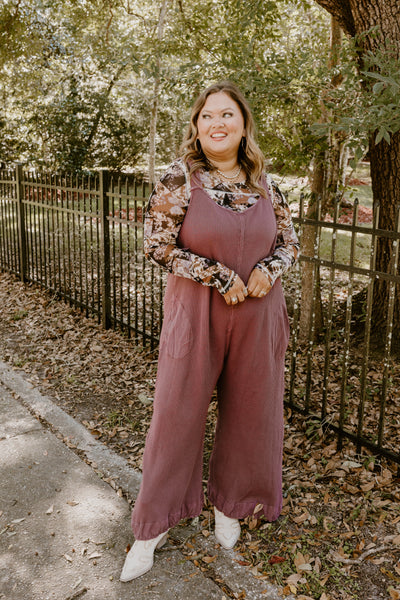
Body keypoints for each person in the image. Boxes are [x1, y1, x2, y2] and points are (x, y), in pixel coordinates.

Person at [120, 81, 299, 582]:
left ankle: (232, 503)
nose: (217, 124)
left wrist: (273, 266)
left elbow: (291, 242)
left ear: (243, 126)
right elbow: (158, 246)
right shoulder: (178, 179)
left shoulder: (267, 183)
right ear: (196, 127)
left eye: (227, 116)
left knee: (251, 413)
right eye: (207, 116)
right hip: (197, 314)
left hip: (258, 313)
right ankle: (152, 526)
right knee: (176, 415)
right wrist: (217, 273)